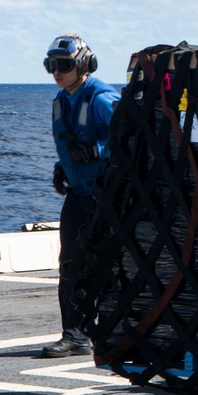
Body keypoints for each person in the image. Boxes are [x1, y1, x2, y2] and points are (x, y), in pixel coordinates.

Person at [42, 33, 120, 358]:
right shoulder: (61, 101)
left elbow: (131, 138)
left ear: (83, 64)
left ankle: (117, 332)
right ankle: (74, 335)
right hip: (78, 196)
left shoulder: (101, 99)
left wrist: (95, 150)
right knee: (71, 265)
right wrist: (64, 167)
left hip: (107, 198)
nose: (56, 72)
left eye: (62, 65)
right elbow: (67, 141)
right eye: (51, 66)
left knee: (112, 267)